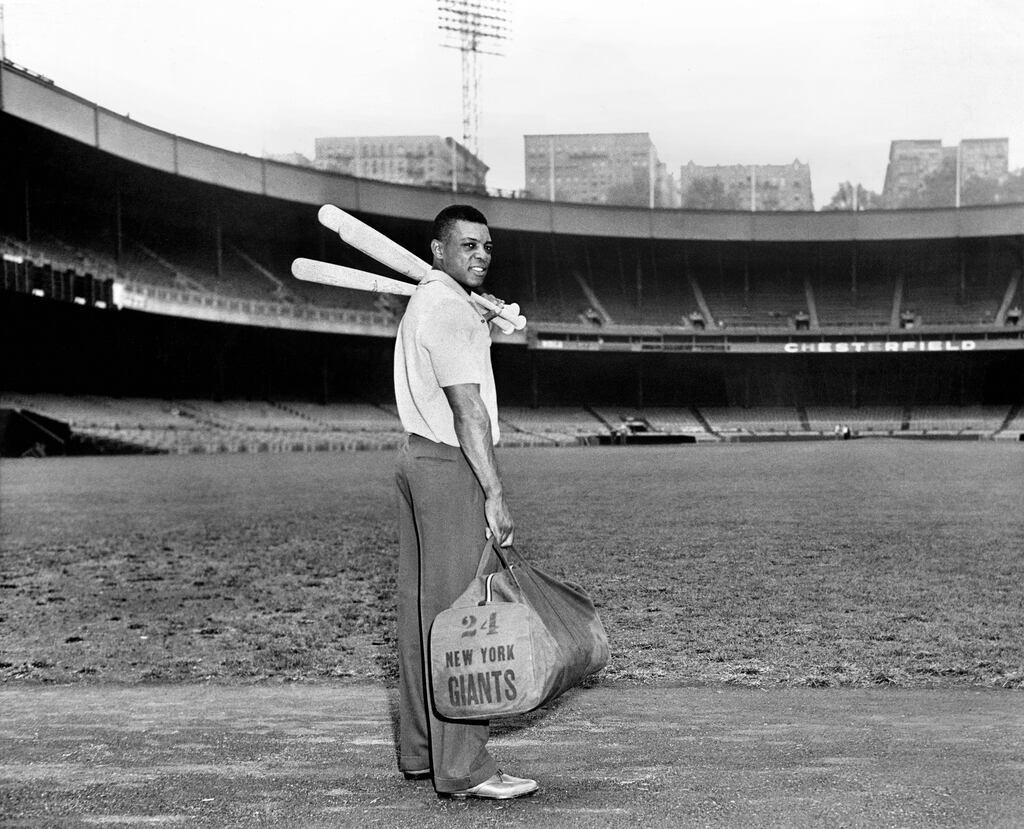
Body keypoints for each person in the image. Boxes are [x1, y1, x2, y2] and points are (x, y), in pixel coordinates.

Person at [392, 204, 538, 801]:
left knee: (423, 613)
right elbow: (468, 409)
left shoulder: (434, 302)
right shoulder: (449, 309)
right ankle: (464, 767)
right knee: (461, 618)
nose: (480, 254)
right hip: (453, 463)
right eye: (467, 245)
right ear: (438, 250)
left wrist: (481, 318)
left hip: (415, 457)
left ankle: (424, 752)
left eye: (487, 246)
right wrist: (495, 493)